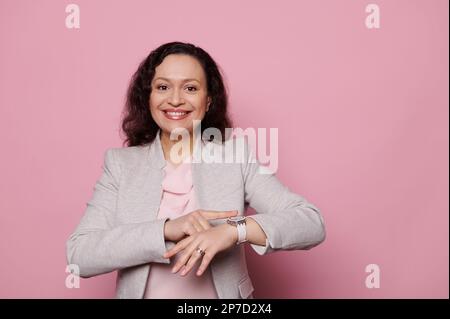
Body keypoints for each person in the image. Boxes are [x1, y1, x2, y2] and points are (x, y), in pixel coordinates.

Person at [66, 41, 326, 299]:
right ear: (148, 97)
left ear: (208, 100)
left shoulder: (235, 158)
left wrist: (234, 231)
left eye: (190, 88)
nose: (176, 100)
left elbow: (310, 223)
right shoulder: (121, 165)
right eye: (163, 87)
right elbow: (80, 255)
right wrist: (166, 229)